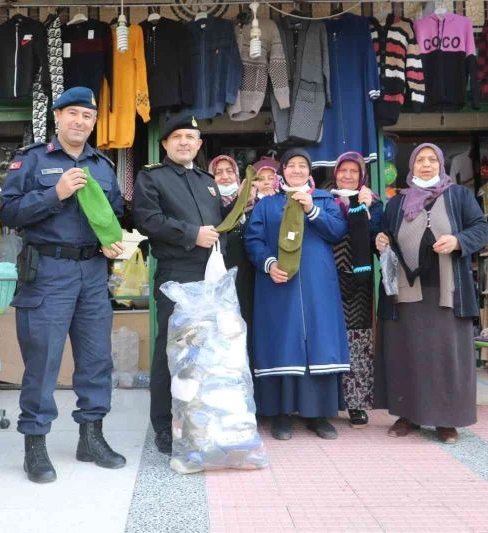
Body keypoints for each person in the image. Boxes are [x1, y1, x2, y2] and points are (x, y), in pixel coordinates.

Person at [0, 87, 127, 484]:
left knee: (96, 359)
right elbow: (9, 212)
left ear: (93, 123)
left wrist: (115, 242)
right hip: (48, 272)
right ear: (57, 117)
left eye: (87, 116)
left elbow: (116, 213)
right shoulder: (33, 159)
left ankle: (91, 438)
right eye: (72, 113)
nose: (79, 122)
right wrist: (53, 194)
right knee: (43, 360)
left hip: (92, 274)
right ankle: (34, 446)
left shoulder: (103, 166)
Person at [374, 143, 488, 444]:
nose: (426, 165)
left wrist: (458, 240)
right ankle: (407, 415)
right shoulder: (396, 203)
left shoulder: (459, 196)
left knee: (446, 356)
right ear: (411, 167)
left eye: (431, 160)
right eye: (420, 161)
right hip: (406, 291)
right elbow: (385, 238)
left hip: (448, 292)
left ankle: (446, 421)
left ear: (440, 164)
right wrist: (381, 240)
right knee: (407, 354)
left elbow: (481, 229)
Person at [132, 112, 224, 454]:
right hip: (176, 274)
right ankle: (164, 426)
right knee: (172, 351)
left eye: (191, 137)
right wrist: (191, 234)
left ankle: (199, 420)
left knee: (205, 351)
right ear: (166, 144)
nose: (185, 142)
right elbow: (147, 220)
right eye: (178, 137)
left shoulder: (207, 181)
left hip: (211, 275)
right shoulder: (151, 177)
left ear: (199, 144)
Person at [244, 148, 349, 441]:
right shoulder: (267, 206)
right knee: (282, 341)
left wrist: (311, 210)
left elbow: (337, 230)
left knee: (318, 341)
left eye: (303, 166)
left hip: (318, 286)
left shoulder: (324, 200)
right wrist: (268, 263)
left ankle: (318, 415)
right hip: (278, 285)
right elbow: (252, 240)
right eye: (291, 166)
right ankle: (280, 414)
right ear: (282, 172)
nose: (297, 171)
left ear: (310, 172)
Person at [330, 152, 383, 428]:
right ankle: (328, 401)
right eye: (343, 170)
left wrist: (366, 211)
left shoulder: (373, 203)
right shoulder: (325, 199)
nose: (348, 175)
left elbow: (377, 241)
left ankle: (356, 404)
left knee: (358, 342)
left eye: (353, 171)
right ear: (335, 173)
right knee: (326, 339)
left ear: (362, 175)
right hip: (327, 279)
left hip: (359, 282)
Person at [208, 155, 255, 365]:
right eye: (218, 173)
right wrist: (239, 200)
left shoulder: (255, 202)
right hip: (223, 277)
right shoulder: (207, 204)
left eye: (229, 171)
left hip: (250, 278)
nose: (225, 176)